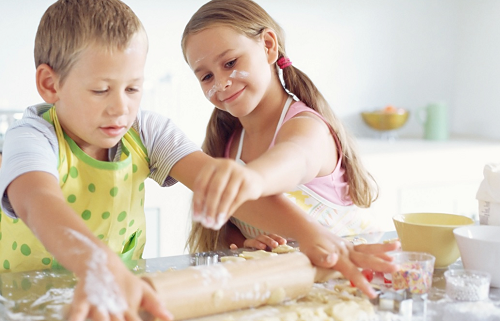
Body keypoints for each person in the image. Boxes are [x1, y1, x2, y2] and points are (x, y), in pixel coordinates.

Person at [0, 0, 398, 319]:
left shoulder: (145, 130)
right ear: (50, 84)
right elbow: (40, 203)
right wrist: (99, 266)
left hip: (123, 295)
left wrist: (314, 237)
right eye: (102, 90)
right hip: (25, 299)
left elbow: (225, 185)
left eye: (134, 88)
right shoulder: (30, 136)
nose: (121, 109)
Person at [183, 0, 381, 251]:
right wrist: (246, 243)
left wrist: (252, 179)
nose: (221, 83)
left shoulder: (306, 127)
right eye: (207, 76)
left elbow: (295, 159)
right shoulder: (228, 142)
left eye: (230, 63)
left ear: (268, 46)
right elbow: (225, 232)